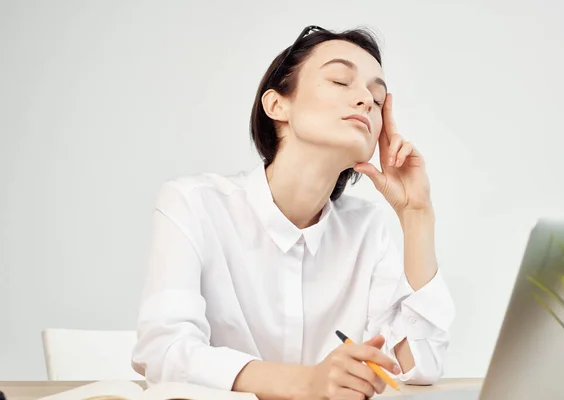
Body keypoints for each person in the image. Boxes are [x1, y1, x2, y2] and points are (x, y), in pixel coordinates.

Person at [131, 25, 455, 400]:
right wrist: (307, 383)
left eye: (378, 98)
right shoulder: (193, 203)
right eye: (340, 80)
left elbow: (418, 367)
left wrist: (416, 215)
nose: (366, 99)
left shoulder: (366, 227)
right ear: (277, 105)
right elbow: (164, 352)